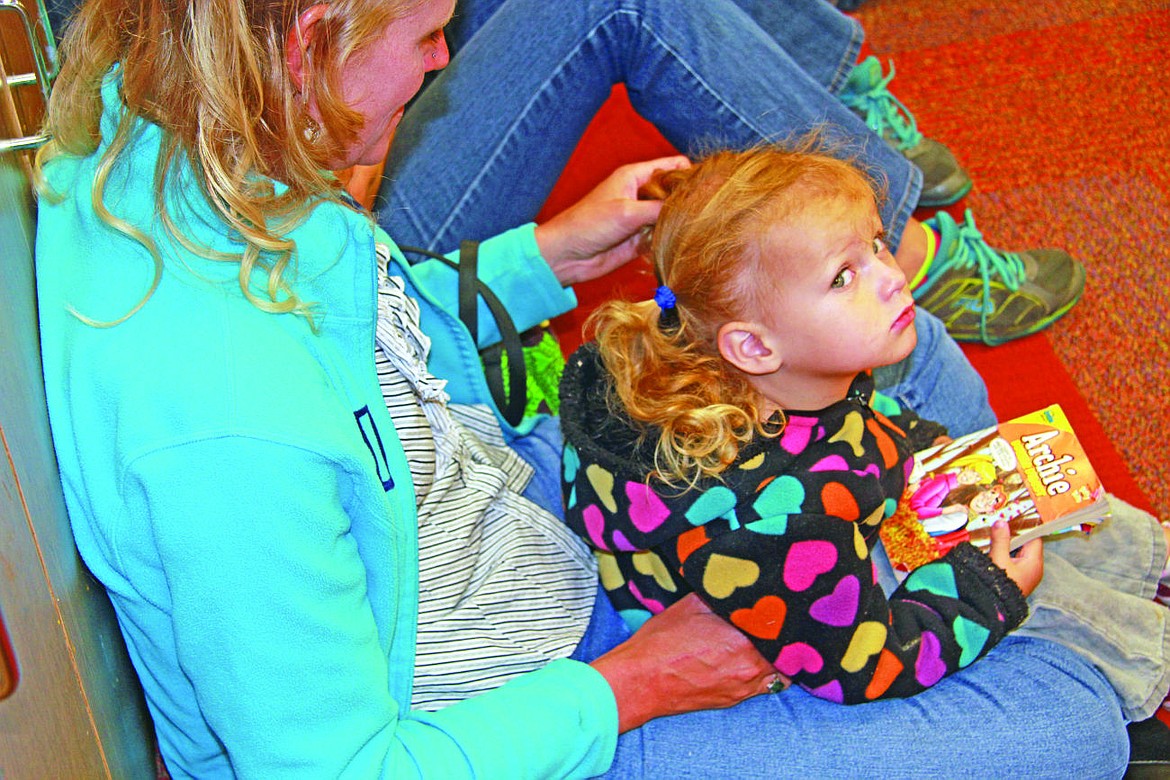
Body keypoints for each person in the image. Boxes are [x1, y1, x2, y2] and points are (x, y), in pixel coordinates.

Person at [33, 0, 1134, 776]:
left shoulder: (194, 139)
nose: (442, 62)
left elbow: (376, 342)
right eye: (425, 35)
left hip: (513, 514)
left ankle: (939, 574)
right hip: (533, 700)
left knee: (904, 349)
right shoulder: (228, 432)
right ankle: (972, 593)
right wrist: (637, 684)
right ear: (308, 40)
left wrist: (545, 254)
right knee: (1070, 721)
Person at [559, 145, 1170, 718]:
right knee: (1041, 592)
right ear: (754, 346)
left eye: (876, 245)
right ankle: (1154, 654)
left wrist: (914, 443)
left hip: (827, 531)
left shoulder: (780, 372)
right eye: (842, 277)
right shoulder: (772, 527)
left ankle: (1155, 559)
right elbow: (862, 665)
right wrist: (981, 595)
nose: (891, 275)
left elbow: (844, 423)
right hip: (808, 618)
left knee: (1032, 497)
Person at [376, 0, 1084, 347]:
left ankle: (822, 97)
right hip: (358, 236)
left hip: (333, 150)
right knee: (619, 4)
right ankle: (890, 249)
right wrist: (542, 255)